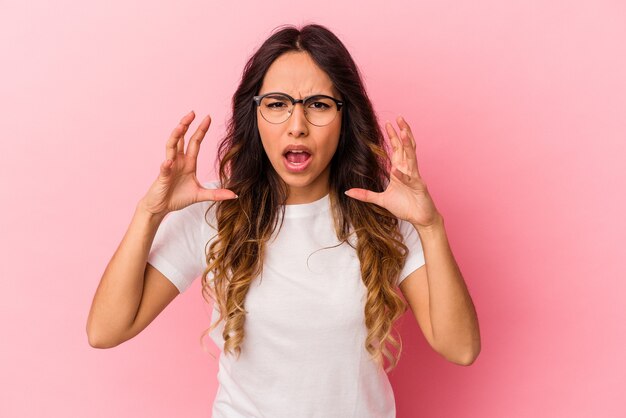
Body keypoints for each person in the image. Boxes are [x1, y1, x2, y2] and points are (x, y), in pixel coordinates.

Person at [87, 23, 480, 418]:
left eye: (319, 104)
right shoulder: (215, 210)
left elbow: (460, 347)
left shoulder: (384, 212)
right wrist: (149, 213)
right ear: (254, 115)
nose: (297, 125)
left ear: (346, 117)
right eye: (277, 104)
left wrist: (430, 226)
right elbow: (105, 331)